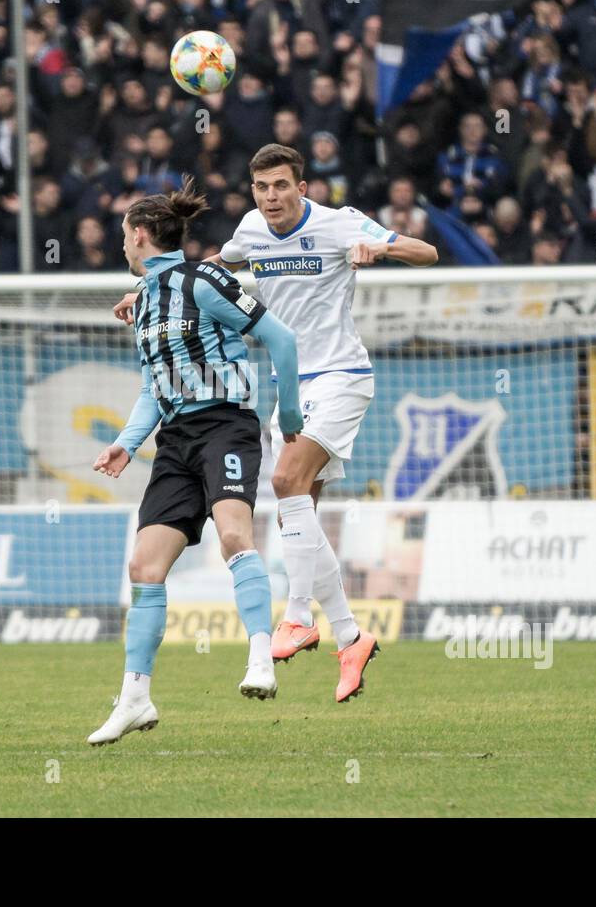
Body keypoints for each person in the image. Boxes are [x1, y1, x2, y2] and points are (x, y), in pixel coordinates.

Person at [117, 144, 438, 702]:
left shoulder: (339, 224)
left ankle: (295, 616)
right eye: (262, 188)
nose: (271, 197)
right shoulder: (249, 231)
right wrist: (149, 289)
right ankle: (349, 634)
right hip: (291, 384)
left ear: (302, 188)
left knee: (287, 482)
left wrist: (378, 248)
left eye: (282, 186)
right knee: (301, 514)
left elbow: (426, 251)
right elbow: (211, 271)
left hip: (340, 376)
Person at [88, 179, 303, 746]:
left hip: (226, 426)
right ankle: (135, 698)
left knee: (235, 534)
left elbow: (281, 338)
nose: (122, 246)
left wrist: (289, 416)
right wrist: (126, 443)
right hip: (176, 440)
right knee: (144, 567)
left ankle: (261, 656)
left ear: (139, 236)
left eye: (123, 237)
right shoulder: (141, 305)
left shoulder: (204, 280)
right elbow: (151, 388)